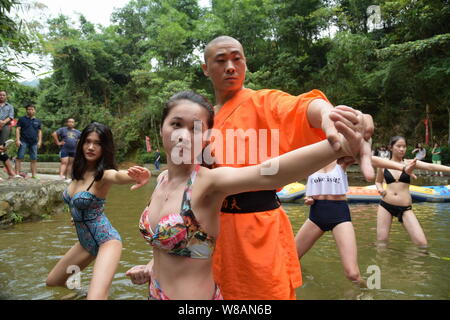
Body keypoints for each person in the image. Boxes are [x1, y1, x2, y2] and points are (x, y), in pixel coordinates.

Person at [126, 90, 367, 300]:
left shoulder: (208, 183)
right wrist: (149, 267)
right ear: (162, 128)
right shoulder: (162, 180)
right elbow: (177, 247)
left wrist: (339, 146)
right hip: (155, 292)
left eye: (195, 128)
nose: (184, 135)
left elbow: (269, 174)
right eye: (176, 124)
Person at [197, 35, 374, 299]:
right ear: (205, 69)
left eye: (237, 59)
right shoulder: (203, 118)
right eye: (221, 61)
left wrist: (329, 117)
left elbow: (302, 107)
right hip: (211, 234)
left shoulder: (263, 102)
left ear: (246, 63)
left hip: (258, 230)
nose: (231, 67)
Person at [46, 122, 150, 300]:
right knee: (53, 282)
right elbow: (77, 203)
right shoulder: (78, 171)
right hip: (85, 243)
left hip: (106, 241)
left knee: (96, 297)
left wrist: (141, 173)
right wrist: (78, 217)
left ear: (105, 147)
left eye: (98, 143)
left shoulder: (104, 175)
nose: (91, 147)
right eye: (87, 141)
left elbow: (119, 175)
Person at [295, 156, 416, 287]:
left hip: (339, 216)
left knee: (353, 274)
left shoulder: (340, 159)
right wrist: (308, 197)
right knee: (291, 259)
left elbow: (370, 159)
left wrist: (402, 168)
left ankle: (366, 294)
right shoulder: (312, 159)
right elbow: (310, 186)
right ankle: (303, 285)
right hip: (316, 215)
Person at [375, 136, 450, 247]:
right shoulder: (383, 164)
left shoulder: (410, 163)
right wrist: (380, 189)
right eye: (399, 146)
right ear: (391, 147)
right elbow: (378, 181)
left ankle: (413, 262)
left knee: (422, 244)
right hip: (386, 205)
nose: (402, 149)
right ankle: (384, 263)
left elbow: (430, 166)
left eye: (404, 146)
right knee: (382, 242)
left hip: (405, 207)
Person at [15, 104, 42, 179]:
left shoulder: (38, 121)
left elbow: (39, 131)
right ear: (26, 110)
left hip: (34, 142)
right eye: (28, 109)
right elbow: (18, 129)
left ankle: (34, 175)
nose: (30, 111)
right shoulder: (22, 119)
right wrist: (17, 140)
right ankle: (17, 174)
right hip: (23, 141)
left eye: (32, 109)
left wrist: (39, 141)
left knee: (34, 158)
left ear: (35, 110)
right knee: (20, 157)